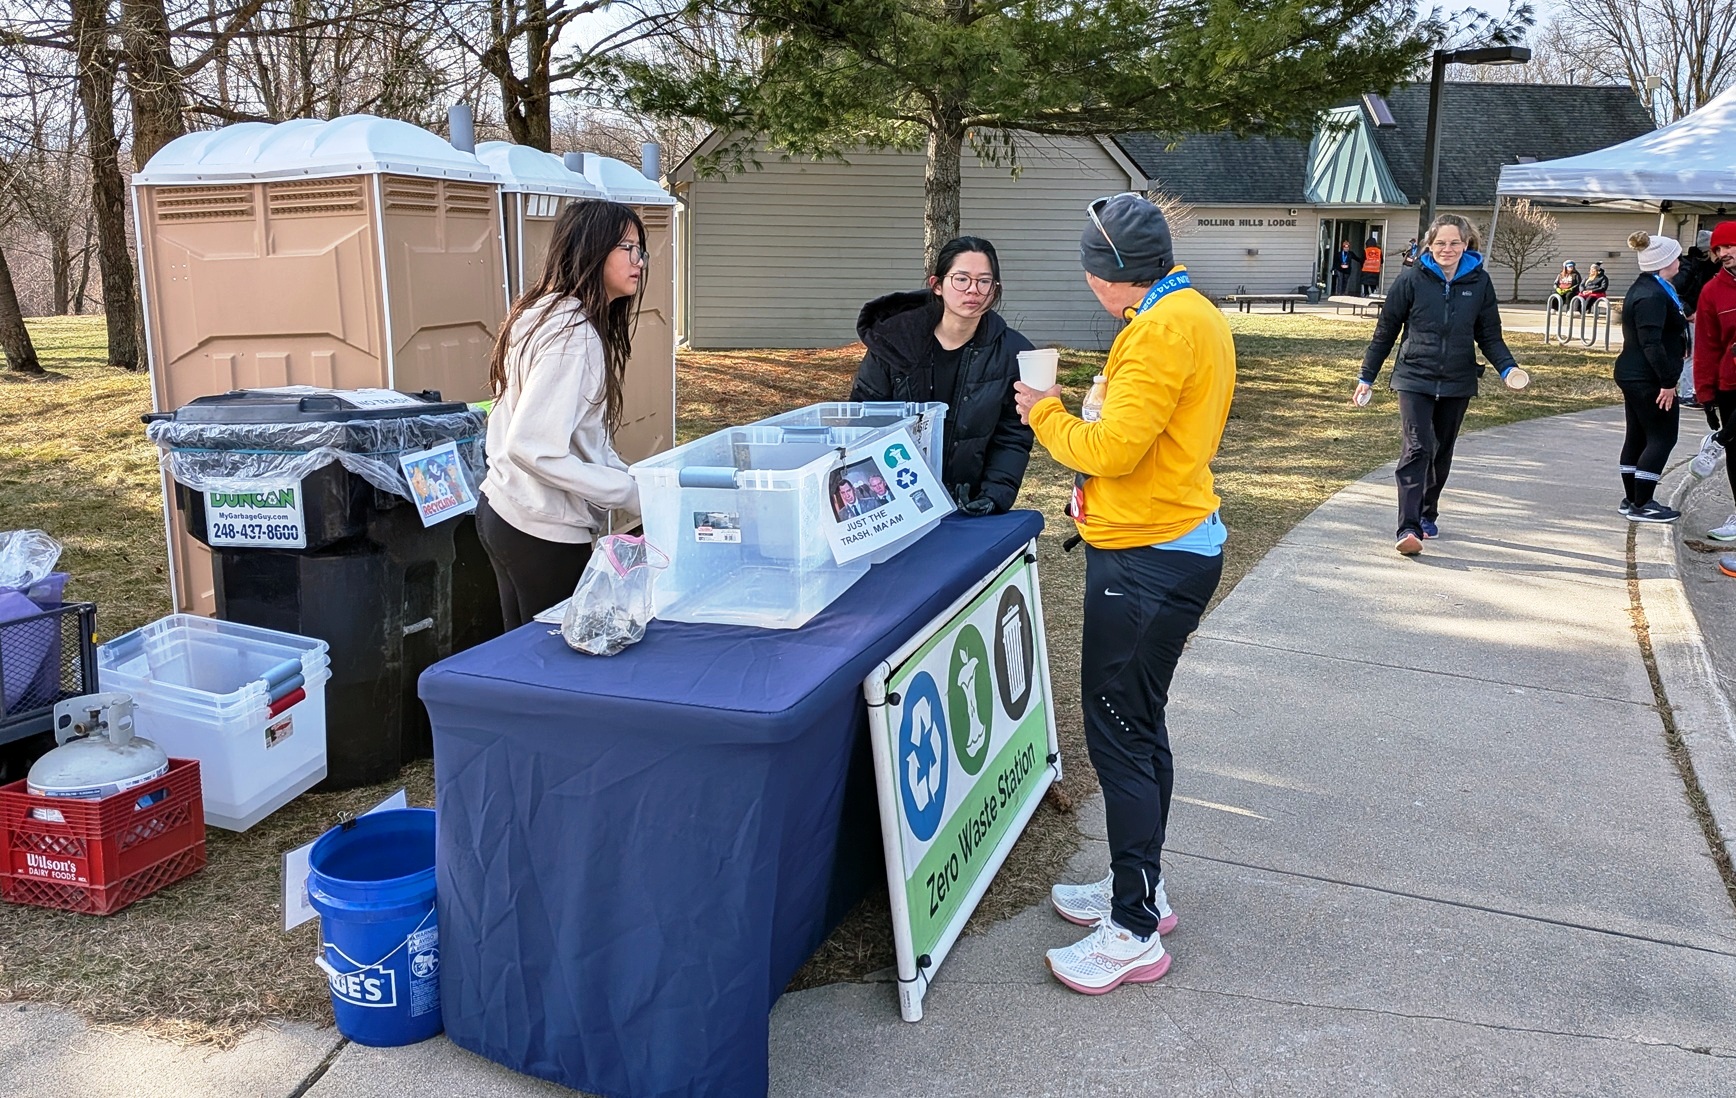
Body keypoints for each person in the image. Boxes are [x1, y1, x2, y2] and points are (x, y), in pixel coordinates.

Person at [1012, 193, 1235, 995]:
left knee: (1118, 734)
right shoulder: (1190, 311)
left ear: (1106, 272)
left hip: (1148, 558)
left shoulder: (1158, 331)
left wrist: (1045, 413)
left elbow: (1109, 451)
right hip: (1168, 541)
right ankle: (1140, 887)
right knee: (1139, 725)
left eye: (1088, 269)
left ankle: (1133, 929)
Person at [476, 200, 647, 630]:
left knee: (522, 653)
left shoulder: (545, 312)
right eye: (627, 248)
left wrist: (637, 479)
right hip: (540, 530)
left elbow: (578, 437)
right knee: (557, 657)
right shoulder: (574, 336)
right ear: (592, 248)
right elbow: (531, 447)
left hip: (503, 511)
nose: (639, 262)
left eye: (640, 250)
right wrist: (627, 492)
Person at [1355, 213, 1522, 555]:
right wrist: (1366, 377)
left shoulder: (1479, 282)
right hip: (1414, 376)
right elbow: (1386, 331)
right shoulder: (1411, 279)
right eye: (1441, 242)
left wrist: (1508, 368)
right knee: (1417, 448)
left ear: (1466, 244)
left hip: (1458, 379)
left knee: (1441, 451)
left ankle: (1427, 512)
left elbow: (1489, 334)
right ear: (1429, 245)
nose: (1448, 249)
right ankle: (1408, 527)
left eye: (1455, 242)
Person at [851, 236, 1035, 514]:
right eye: (961, 279)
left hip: (968, 501)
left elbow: (1013, 434)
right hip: (895, 498)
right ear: (937, 285)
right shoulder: (893, 342)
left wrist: (994, 495)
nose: (973, 290)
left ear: (995, 290)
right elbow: (864, 421)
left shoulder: (1013, 353)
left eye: (984, 281)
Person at [1613, 231, 1689, 523]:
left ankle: (1632, 498)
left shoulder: (1650, 287)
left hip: (1635, 374)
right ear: (1664, 261)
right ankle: (1642, 503)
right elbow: (1651, 344)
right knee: (1662, 437)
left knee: (1638, 435)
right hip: (1648, 378)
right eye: (1677, 257)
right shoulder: (1651, 296)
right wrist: (1667, 382)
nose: (1680, 261)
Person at [1690, 222, 1736, 542]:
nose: (1723, 253)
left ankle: (1717, 441)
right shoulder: (1712, 291)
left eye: (1729, 246)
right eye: (1718, 249)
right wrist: (1705, 394)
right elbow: (1706, 347)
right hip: (1730, 382)